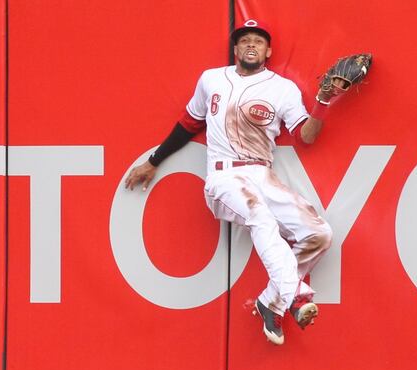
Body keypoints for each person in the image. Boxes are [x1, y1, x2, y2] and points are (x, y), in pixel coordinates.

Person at [125, 19, 345, 346]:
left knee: (319, 234)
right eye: (244, 40)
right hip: (224, 175)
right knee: (261, 216)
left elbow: (305, 136)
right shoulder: (212, 79)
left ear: (268, 50)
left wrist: (324, 101)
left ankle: (272, 300)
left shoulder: (282, 88)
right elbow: (188, 124)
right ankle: (296, 297)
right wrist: (154, 161)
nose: (251, 45)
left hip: (261, 172)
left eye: (258, 40)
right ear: (236, 48)